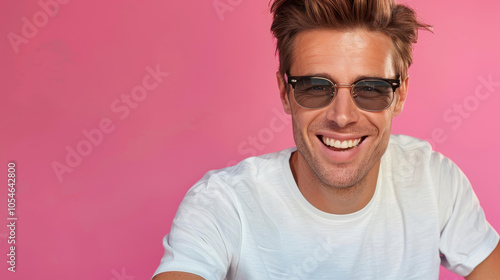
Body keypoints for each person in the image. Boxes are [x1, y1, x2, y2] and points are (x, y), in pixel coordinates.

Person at [152, 0, 500, 279]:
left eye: (371, 89)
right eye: (316, 87)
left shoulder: (433, 180)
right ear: (285, 93)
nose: (342, 116)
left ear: (400, 93)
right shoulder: (224, 205)